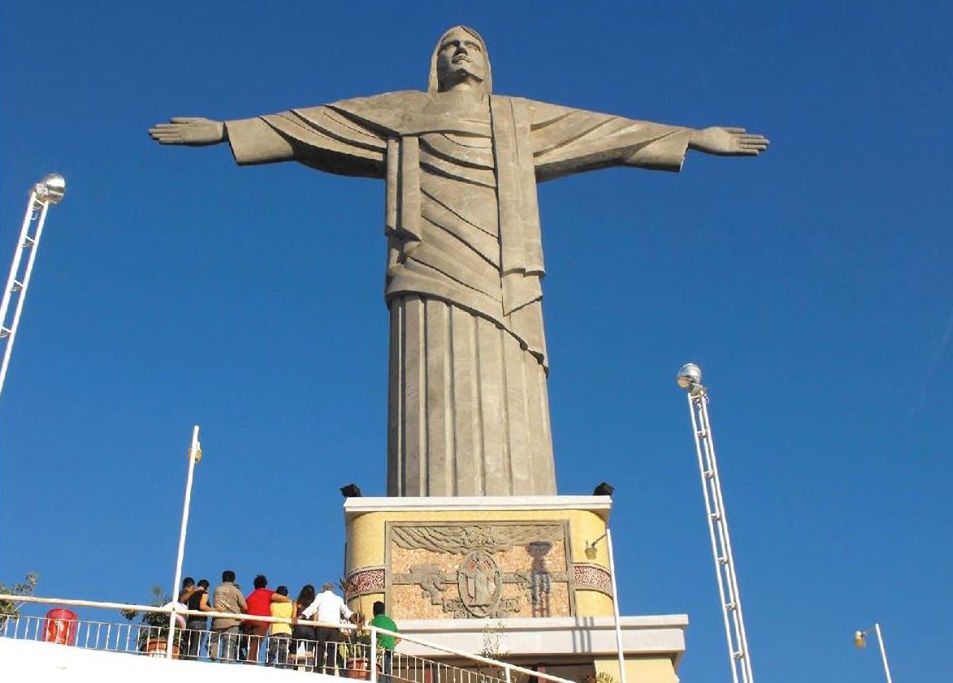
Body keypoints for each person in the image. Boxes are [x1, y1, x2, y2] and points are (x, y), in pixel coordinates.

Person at [150, 26, 768, 499]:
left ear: (488, 64)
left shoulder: (518, 118)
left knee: (511, 379)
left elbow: (603, 133)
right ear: (433, 66)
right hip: (425, 264)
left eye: (472, 45)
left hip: (504, 273)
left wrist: (689, 137)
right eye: (449, 46)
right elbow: (317, 128)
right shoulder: (402, 112)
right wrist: (231, 129)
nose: (461, 52)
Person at [300, 582, 352, 674]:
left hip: (322, 627)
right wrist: (353, 619)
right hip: (334, 628)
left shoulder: (320, 596)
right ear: (332, 590)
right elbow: (346, 612)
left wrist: (303, 615)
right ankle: (330, 672)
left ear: (324, 589)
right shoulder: (338, 599)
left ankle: (318, 671)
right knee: (332, 651)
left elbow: (313, 607)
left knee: (320, 649)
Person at [243, 574, 291, 664]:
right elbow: (282, 598)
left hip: (248, 621)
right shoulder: (268, 593)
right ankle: (251, 662)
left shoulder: (250, 595)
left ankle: (248, 659)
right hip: (261, 622)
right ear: (265, 585)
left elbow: (245, 607)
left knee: (250, 642)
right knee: (256, 642)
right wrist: (289, 600)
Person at [210, 570, 247, 661]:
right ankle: (225, 663)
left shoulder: (216, 589)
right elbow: (244, 606)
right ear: (234, 580)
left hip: (217, 621)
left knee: (214, 643)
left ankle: (212, 658)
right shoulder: (236, 591)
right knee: (229, 645)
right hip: (232, 621)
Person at [368, 601, 400, 683]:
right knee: (388, 670)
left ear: (373, 611)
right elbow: (399, 638)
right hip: (390, 649)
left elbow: (368, 637)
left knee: (380, 670)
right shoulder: (391, 621)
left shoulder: (373, 622)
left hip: (380, 650)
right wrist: (392, 643)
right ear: (383, 610)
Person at [184, 578, 213, 659]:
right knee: (195, 647)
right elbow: (202, 606)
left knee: (187, 646)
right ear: (207, 587)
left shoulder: (191, 594)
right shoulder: (204, 593)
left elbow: (184, 600)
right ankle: (191, 663)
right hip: (199, 622)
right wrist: (215, 609)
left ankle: (184, 661)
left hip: (190, 622)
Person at [291, 584, 317, 671]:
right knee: (309, 652)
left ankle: (292, 668)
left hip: (299, 629)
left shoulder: (297, 602)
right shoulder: (313, 605)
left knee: (293, 649)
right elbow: (315, 621)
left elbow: (293, 617)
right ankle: (308, 670)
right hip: (310, 630)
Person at [267, 585, 294, 668]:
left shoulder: (272, 605)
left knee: (271, 656)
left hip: (275, 631)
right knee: (283, 656)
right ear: (287, 595)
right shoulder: (291, 605)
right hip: (287, 631)